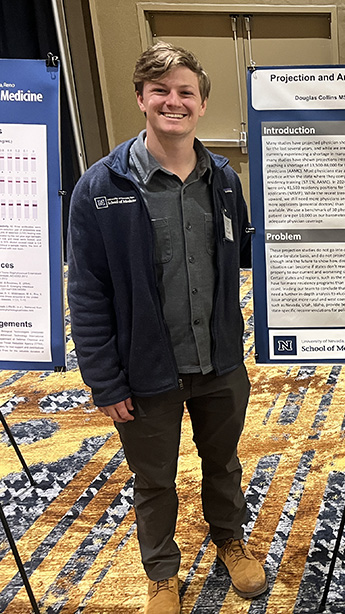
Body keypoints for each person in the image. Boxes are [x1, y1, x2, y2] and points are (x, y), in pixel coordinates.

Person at [67, 42, 266, 614]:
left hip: (219, 360)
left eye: (185, 92)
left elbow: (243, 258)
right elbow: (87, 291)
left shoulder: (224, 180)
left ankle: (229, 537)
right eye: (161, 91)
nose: (173, 102)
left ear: (203, 104)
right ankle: (161, 571)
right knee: (154, 479)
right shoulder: (100, 188)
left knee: (223, 460)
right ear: (141, 99)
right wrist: (105, 382)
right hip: (146, 369)